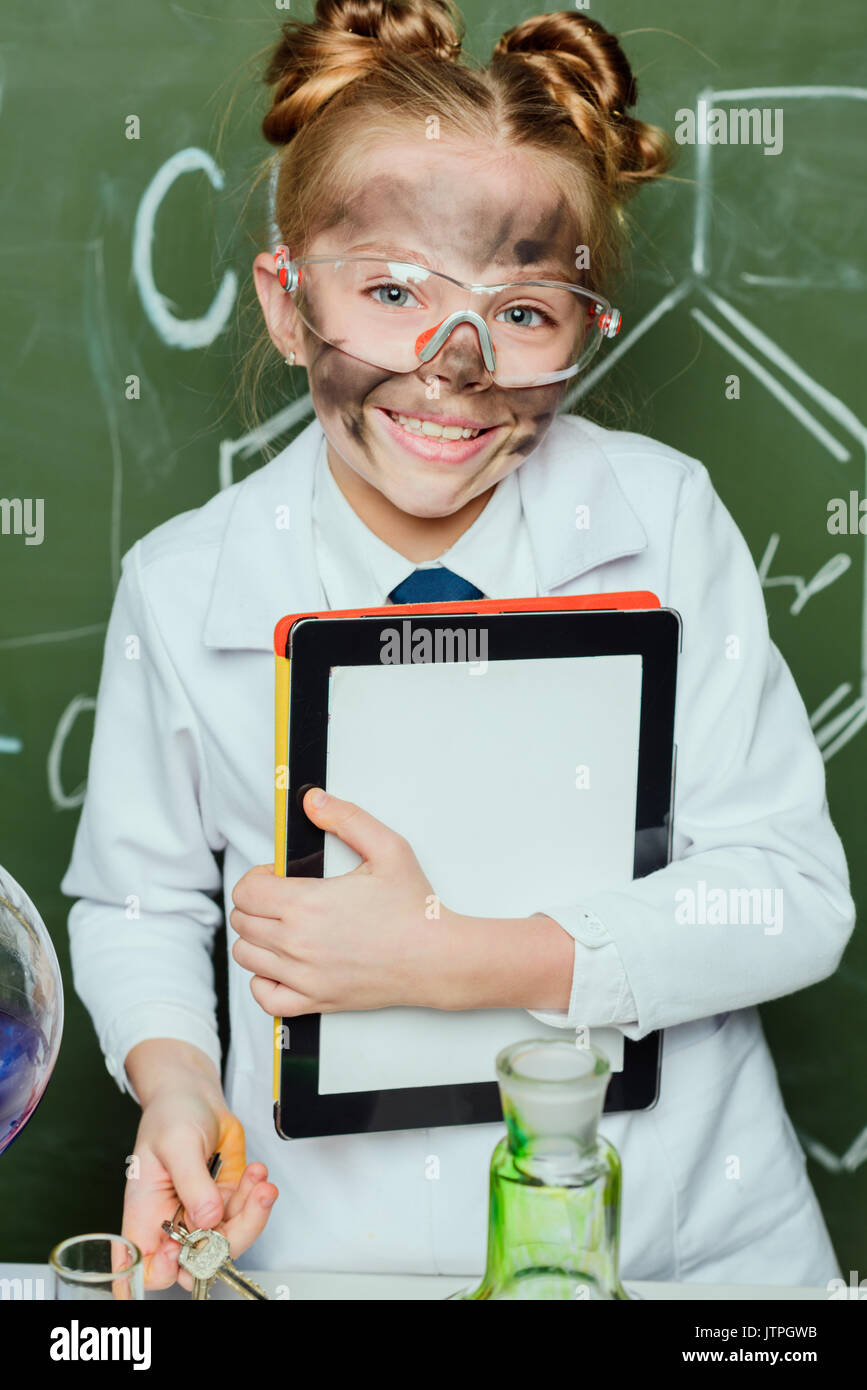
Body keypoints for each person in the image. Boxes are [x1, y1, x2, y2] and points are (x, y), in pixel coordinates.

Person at [62, 0, 854, 1291]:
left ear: (584, 328)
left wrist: (450, 956)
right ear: (286, 300)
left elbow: (788, 894)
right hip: (331, 1250)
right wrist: (173, 1081)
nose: (454, 367)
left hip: (684, 1247)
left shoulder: (662, 521)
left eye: (525, 312)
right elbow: (140, 898)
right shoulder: (186, 582)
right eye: (390, 294)